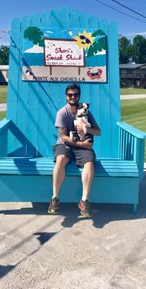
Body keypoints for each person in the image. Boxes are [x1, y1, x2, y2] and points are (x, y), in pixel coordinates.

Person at [48, 83, 101, 217]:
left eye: (75, 94)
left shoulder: (86, 111)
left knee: (89, 164)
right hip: (66, 144)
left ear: (79, 96)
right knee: (60, 160)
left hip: (82, 145)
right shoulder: (62, 113)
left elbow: (98, 132)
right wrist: (82, 144)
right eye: (70, 95)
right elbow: (63, 137)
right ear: (66, 96)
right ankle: (55, 198)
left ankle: (84, 200)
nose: (73, 97)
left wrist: (86, 128)